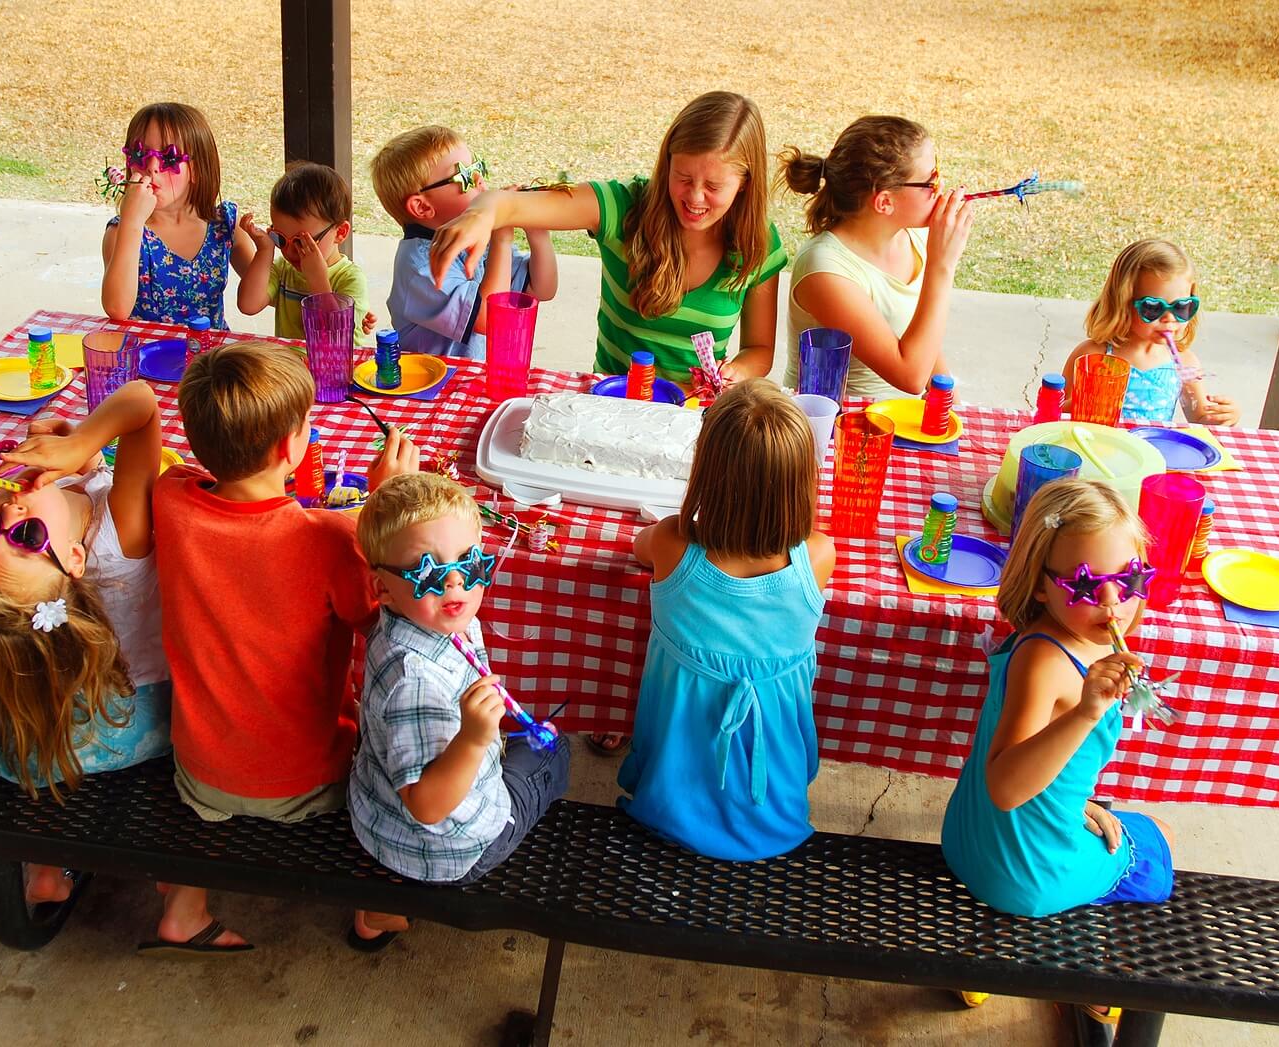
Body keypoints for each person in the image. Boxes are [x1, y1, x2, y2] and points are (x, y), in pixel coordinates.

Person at [147, 341, 419, 953]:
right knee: (396, 753)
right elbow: (380, 623)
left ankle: (184, 909)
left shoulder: (172, 499)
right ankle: (374, 908)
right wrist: (385, 504)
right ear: (288, 449)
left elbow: (191, 478)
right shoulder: (328, 538)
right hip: (308, 780)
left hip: (199, 771)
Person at [0, 381, 169, 906]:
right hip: (135, 724)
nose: (9, 513)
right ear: (74, 559)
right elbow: (141, 404)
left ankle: (46, 867)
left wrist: (83, 470)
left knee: (48, 724)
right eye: (25, 538)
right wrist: (83, 441)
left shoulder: (46, 576)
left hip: (51, 730)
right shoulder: (123, 535)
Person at [347, 473, 571, 949]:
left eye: (470, 563)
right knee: (555, 753)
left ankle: (383, 902)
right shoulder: (415, 681)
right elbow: (428, 807)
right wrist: (472, 739)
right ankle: (394, 900)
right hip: (452, 847)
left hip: (379, 815)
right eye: (427, 571)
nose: (454, 582)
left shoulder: (423, 618)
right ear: (382, 588)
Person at [617, 380, 835, 860]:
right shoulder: (818, 556)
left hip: (668, 803)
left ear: (706, 472)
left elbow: (637, 546)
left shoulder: (673, 543)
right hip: (774, 803)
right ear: (803, 482)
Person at [427, 92, 783, 383]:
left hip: (695, 417)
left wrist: (736, 371)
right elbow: (513, 205)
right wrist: (482, 212)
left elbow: (759, 351)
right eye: (683, 178)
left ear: (745, 185)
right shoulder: (623, 206)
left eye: (714, 186)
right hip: (610, 405)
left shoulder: (759, 245)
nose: (695, 197)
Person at [941, 478, 1175, 919]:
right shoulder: (1045, 663)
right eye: (1086, 586)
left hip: (971, 839)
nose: (1112, 604)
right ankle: (1083, 959)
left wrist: (1073, 801)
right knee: (1162, 835)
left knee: (1113, 821)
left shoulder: (1053, 634)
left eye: (1128, 579)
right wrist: (1088, 712)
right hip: (1024, 873)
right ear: (1040, 585)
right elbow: (1006, 789)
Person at [778, 116, 972, 399]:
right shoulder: (825, 270)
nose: (941, 188)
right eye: (931, 181)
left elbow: (924, 338)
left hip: (900, 419)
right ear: (884, 202)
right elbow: (911, 377)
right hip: (838, 426)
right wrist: (941, 266)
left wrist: (945, 397)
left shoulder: (912, 238)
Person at [370, 125, 557, 359]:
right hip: (433, 390)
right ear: (423, 207)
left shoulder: (477, 241)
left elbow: (543, 289)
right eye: (465, 176)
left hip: (474, 384)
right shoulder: (420, 267)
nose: (479, 179)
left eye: (477, 166)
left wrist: (537, 230)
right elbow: (491, 318)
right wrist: (502, 235)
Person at [101, 102, 257, 327]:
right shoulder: (121, 231)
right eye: (139, 154)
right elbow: (117, 308)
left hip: (210, 359)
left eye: (169, 158)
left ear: (197, 169)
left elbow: (264, 293)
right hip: (147, 359)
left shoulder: (224, 225)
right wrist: (132, 221)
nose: (152, 167)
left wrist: (266, 250)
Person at [1063, 239, 1238, 426]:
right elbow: (1054, 411)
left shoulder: (1183, 363)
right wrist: (1083, 404)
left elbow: (1200, 416)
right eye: (1153, 308)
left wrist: (1225, 416)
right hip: (1096, 448)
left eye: (1181, 307)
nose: (1169, 318)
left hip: (1153, 450)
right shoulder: (1092, 356)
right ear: (1123, 304)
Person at [236, 162, 378, 345]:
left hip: (336, 371)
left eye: (302, 242)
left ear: (340, 232)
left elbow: (336, 337)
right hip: (291, 369)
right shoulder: (283, 270)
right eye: (280, 239)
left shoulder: (350, 279)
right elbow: (248, 305)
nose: (290, 251)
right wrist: (265, 250)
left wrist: (317, 279)